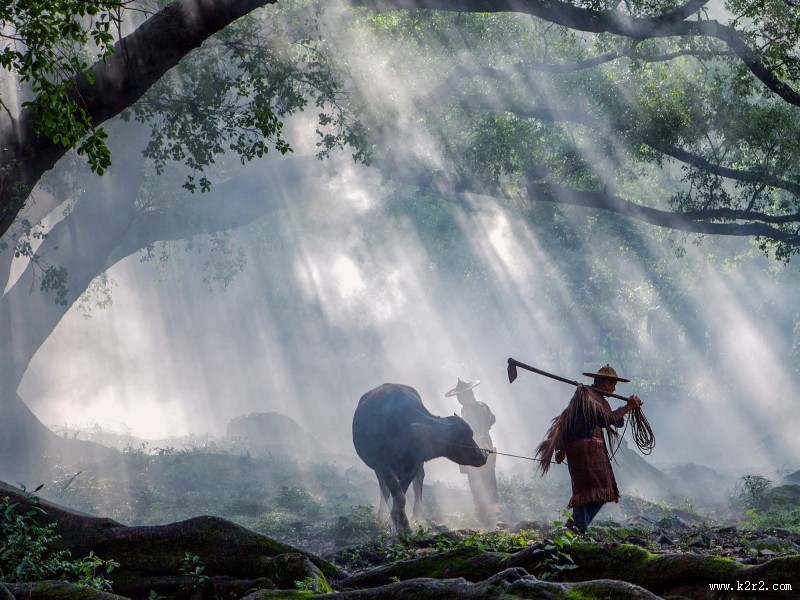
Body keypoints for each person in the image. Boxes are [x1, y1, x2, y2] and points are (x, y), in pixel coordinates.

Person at [535, 364, 642, 534]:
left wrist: (629, 408)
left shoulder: (599, 399)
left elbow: (615, 421)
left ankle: (572, 530)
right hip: (583, 451)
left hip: (593, 451)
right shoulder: (586, 395)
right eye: (613, 384)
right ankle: (578, 532)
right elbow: (574, 420)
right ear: (606, 382)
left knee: (600, 492)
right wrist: (627, 407)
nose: (614, 389)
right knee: (585, 494)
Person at [445, 378, 500, 528]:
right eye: (459, 397)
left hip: (480, 444)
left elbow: (486, 422)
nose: (460, 399)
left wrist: (480, 435)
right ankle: (483, 515)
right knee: (477, 480)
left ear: (468, 395)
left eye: (461, 396)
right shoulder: (470, 409)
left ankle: (492, 515)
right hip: (475, 445)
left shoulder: (477, 408)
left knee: (486, 479)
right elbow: (492, 419)